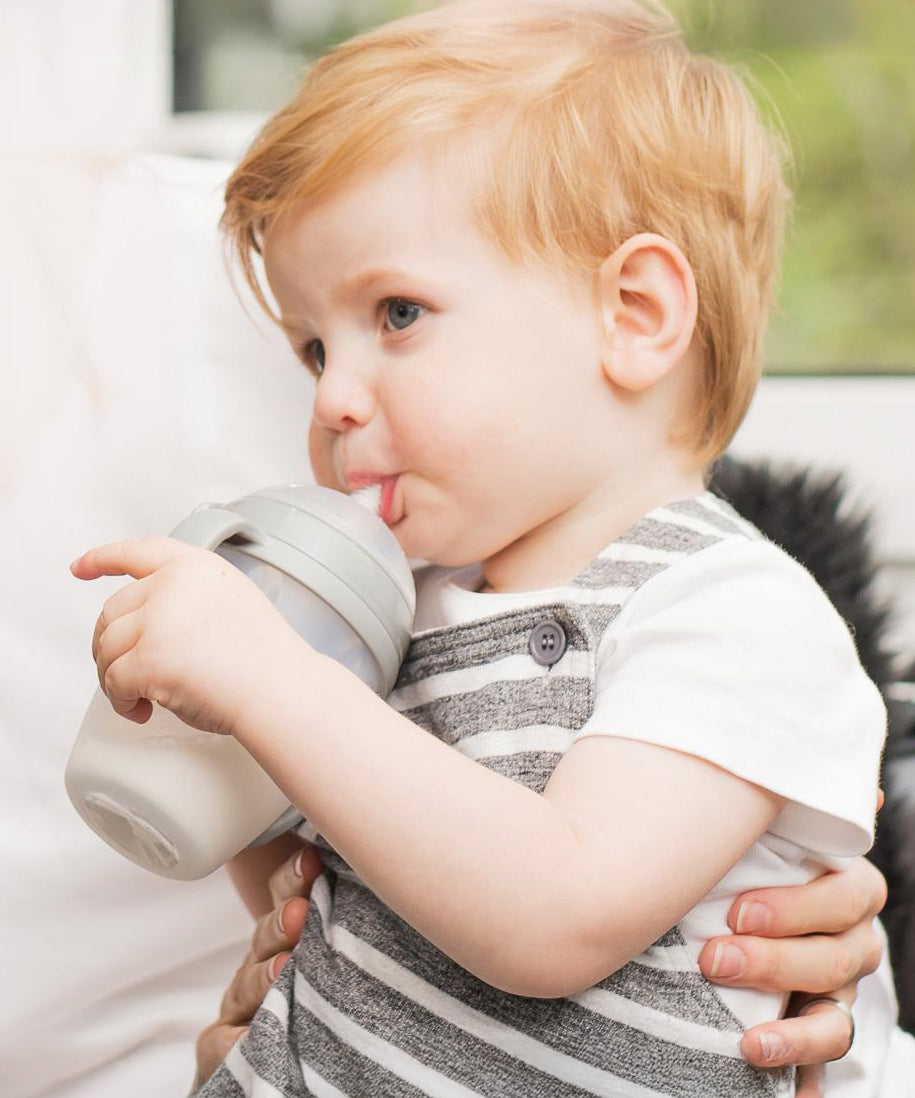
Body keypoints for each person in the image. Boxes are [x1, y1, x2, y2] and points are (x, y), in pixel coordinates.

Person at [68, 0, 898, 1094]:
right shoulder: (387, 606)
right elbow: (310, 889)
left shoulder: (735, 614)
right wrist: (215, 730)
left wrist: (268, 685)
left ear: (635, 315)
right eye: (314, 344)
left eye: (399, 314)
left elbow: (552, 919)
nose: (333, 396)